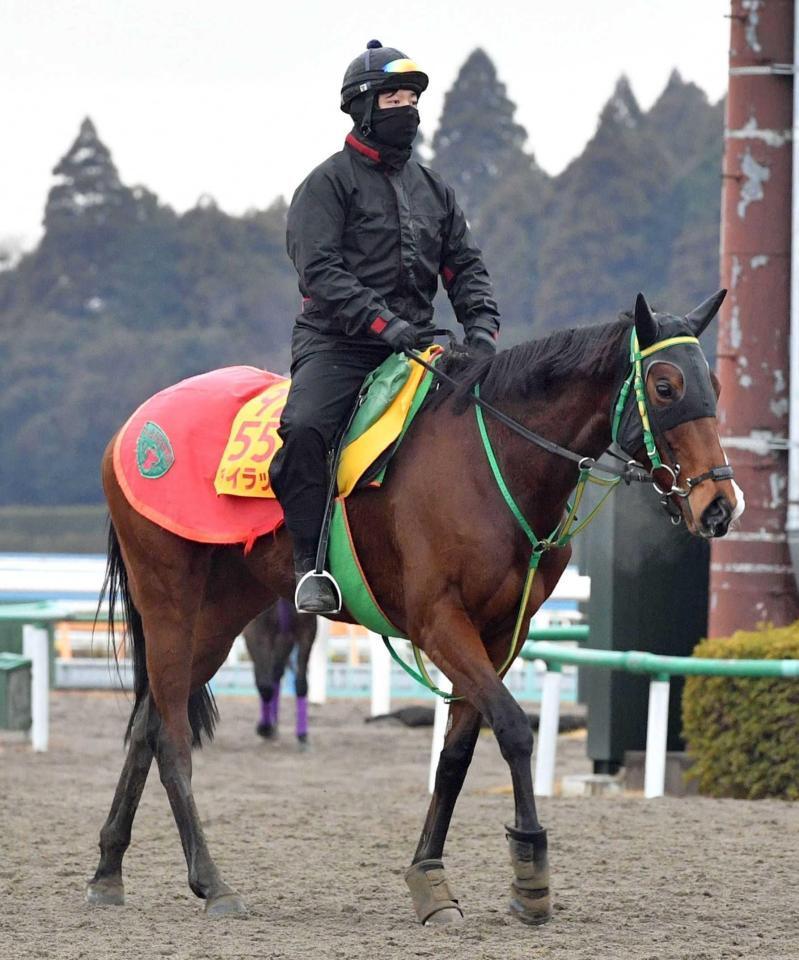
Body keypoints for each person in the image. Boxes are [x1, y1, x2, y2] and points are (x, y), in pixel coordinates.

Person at [269, 39, 501, 614]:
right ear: (363, 107)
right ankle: (310, 566)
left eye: (414, 98)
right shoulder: (325, 186)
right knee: (302, 431)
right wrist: (384, 324)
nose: (409, 108)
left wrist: (482, 333)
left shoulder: (436, 190)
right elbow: (320, 272)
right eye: (396, 96)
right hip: (339, 346)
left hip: (418, 345)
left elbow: (465, 267)